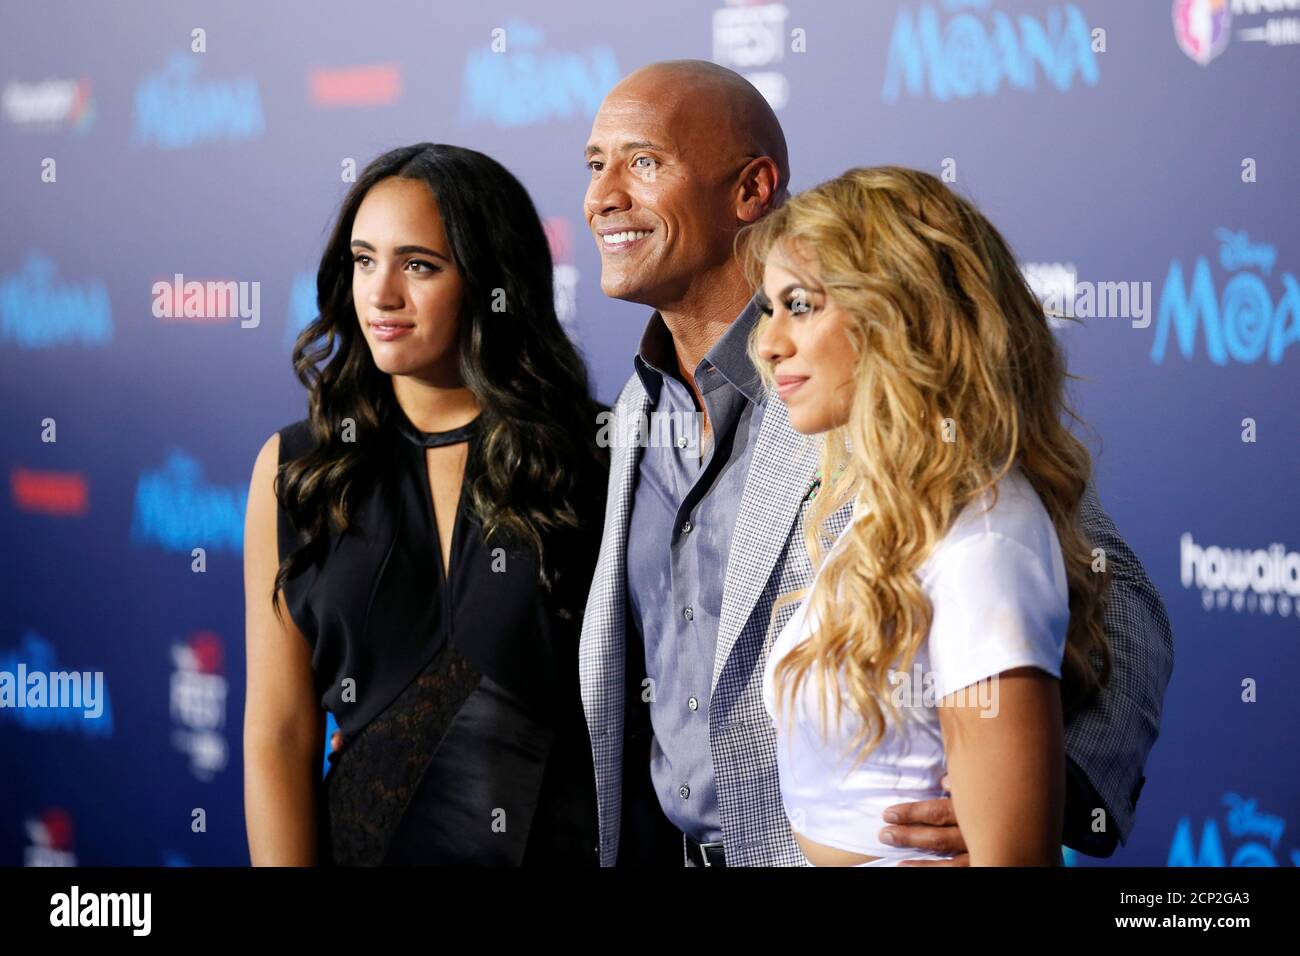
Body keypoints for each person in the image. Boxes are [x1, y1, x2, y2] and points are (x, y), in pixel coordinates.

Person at [578, 59, 1173, 867]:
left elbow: (1116, 596)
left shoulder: (866, 390)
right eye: (595, 165)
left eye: (643, 162)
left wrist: (1024, 789)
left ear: (752, 189)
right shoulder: (637, 408)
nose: (603, 196)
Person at [243, 143, 607, 866]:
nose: (381, 294)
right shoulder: (301, 469)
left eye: (418, 265)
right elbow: (278, 735)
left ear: (491, 280)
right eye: (364, 260)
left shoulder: (595, 455)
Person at [751, 166, 1110, 865]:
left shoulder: (984, 537)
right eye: (771, 309)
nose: (768, 343)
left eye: (800, 305)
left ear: (901, 313)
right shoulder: (892, 507)